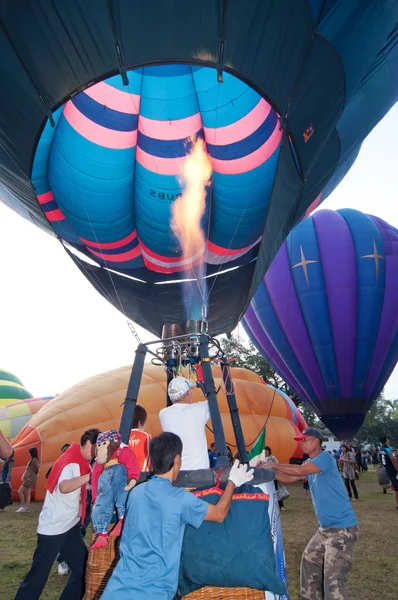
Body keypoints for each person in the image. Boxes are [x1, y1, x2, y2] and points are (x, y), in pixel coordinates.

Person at [101, 431, 254, 600]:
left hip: (117, 589)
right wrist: (233, 481)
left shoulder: (136, 493)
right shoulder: (180, 499)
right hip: (154, 593)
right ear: (177, 460)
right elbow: (219, 514)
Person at [261, 427, 358, 600]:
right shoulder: (309, 464)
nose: (301, 444)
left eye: (304, 440)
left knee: (333, 580)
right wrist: (266, 472)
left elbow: (299, 472)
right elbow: (290, 478)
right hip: (325, 530)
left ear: (315, 441)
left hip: (342, 530)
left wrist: (274, 464)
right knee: (309, 562)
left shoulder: (325, 458)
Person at [14, 428, 100, 600]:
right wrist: (90, 478)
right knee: (37, 579)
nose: (96, 454)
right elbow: (64, 486)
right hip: (53, 529)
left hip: (69, 526)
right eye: (97, 449)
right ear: (89, 443)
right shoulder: (70, 462)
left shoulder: (80, 460)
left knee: (83, 569)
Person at [159, 376, 210, 470]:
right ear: (187, 394)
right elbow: (213, 402)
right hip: (199, 474)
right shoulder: (199, 409)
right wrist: (205, 387)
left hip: (176, 473)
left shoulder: (163, 414)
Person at [260, 446, 287, 510]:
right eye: (264, 450)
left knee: (276, 491)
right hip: (265, 479)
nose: (266, 452)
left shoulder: (272, 458)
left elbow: (277, 466)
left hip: (273, 478)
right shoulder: (261, 459)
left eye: (267, 450)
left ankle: (281, 505)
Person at [128, 404, 152, 471]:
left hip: (124, 476)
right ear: (139, 423)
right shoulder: (146, 436)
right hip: (142, 476)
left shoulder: (121, 437)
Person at [16, 447, 40, 513]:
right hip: (31, 478)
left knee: (20, 491)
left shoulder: (34, 460)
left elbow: (36, 469)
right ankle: (27, 507)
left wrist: (28, 476)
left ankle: (23, 506)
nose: (29, 454)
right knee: (27, 492)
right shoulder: (34, 460)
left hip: (29, 479)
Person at [379, 436, 398, 510]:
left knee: (394, 487)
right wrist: (397, 468)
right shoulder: (388, 449)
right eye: (388, 440)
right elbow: (393, 460)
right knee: (396, 486)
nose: (389, 441)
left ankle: (397, 504)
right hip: (393, 470)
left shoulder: (381, 450)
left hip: (387, 469)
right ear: (386, 441)